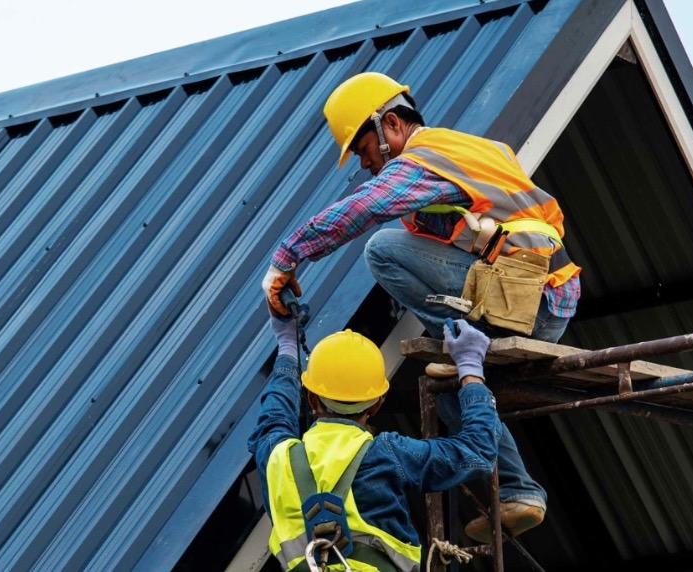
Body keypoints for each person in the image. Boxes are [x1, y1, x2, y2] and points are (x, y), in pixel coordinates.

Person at [261, 72, 582, 542]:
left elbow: (363, 208)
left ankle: (457, 340)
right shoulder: (476, 152)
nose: (367, 165)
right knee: (451, 383)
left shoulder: (424, 160)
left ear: (391, 125)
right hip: (547, 301)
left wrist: (285, 259)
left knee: (383, 249)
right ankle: (518, 490)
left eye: (366, 151)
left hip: (527, 295)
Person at [248, 308, 500, 572]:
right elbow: (479, 451)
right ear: (378, 404)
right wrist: (470, 368)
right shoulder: (387, 454)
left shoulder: (277, 457)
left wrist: (287, 345)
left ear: (311, 399)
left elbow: (275, 414)